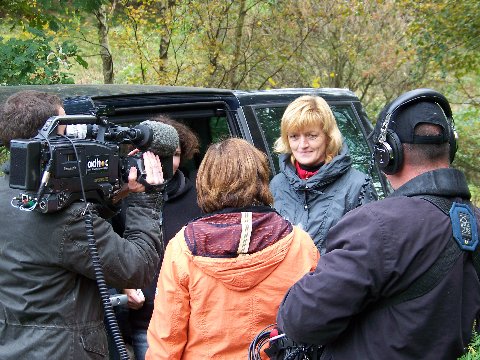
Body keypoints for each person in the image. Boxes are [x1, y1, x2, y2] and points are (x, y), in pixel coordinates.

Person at [276, 89, 480, 359]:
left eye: (311, 136)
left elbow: (300, 320)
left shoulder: (376, 224)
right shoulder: (474, 222)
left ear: (388, 154)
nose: (302, 145)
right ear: (449, 147)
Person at [0, 90, 166, 359]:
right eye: (67, 130)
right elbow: (138, 267)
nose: (75, 138)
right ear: (48, 140)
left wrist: (112, 196)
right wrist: (145, 198)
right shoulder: (66, 218)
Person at [145, 138, 320, 359]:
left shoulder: (182, 247)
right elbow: (316, 325)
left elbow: (166, 340)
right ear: (260, 178)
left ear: (205, 181)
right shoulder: (300, 244)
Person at [114, 116, 203, 360]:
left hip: (195, 318)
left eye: (172, 154)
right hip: (146, 321)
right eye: (155, 154)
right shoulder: (120, 197)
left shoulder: (201, 198)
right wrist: (125, 283)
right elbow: (107, 251)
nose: (164, 163)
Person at [269, 95, 377, 254]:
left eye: (312, 136)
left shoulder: (358, 186)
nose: (302, 145)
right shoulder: (277, 185)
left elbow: (367, 254)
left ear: (328, 137)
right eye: (294, 136)